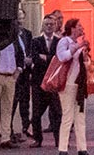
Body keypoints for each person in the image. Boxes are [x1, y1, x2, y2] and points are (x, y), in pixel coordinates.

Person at [55, 18, 91, 155]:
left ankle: (82, 148)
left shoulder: (77, 43)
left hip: (79, 84)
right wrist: (76, 48)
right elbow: (62, 57)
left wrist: (85, 55)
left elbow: (84, 64)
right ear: (72, 28)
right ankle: (62, 148)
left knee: (80, 117)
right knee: (68, 116)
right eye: (79, 26)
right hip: (68, 84)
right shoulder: (64, 41)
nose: (82, 29)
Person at [30, 13, 63, 148]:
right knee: (36, 113)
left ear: (55, 26)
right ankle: (37, 139)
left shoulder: (59, 42)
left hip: (54, 83)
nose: (49, 27)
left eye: (51, 24)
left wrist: (46, 58)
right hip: (39, 83)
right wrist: (50, 59)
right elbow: (35, 58)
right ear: (42, 26)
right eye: (46, 24)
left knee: (56, 113)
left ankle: (59, 140)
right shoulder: (35, 41)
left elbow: (59, 59)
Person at [11, 11, 35, 144]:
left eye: (21, 17)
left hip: (26, 72)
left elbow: (30, 48)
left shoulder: (27, 34)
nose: (20, 20)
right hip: (15, 72)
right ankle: (9, 130)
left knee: (25, 102)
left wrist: (29, 59)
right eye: (18, 17)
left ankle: (26, 126)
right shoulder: (10, 35)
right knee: (12, 103)